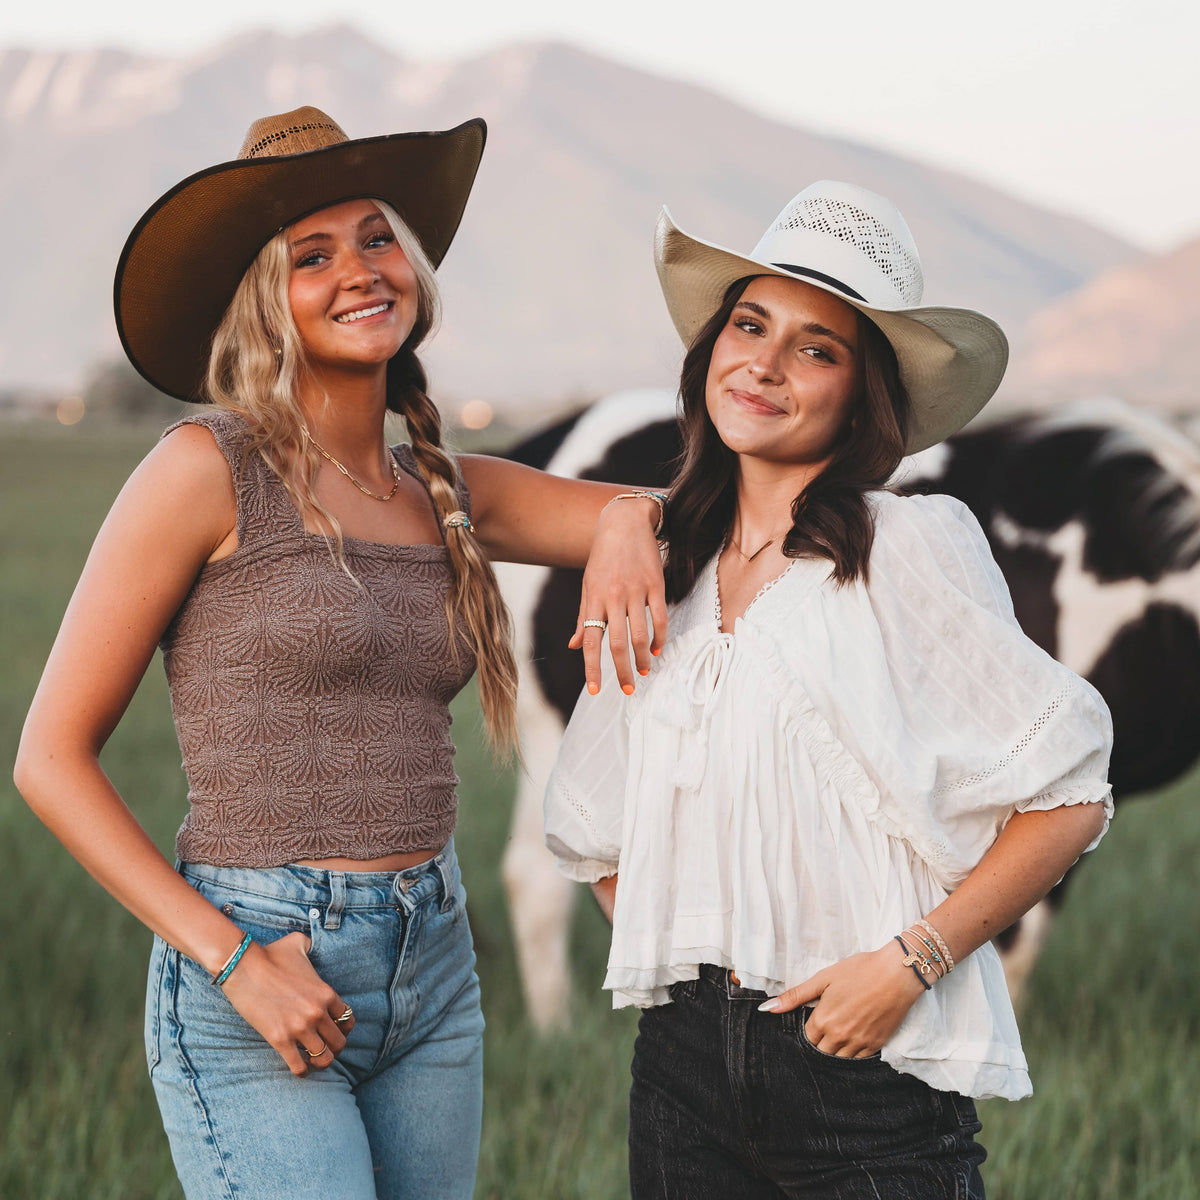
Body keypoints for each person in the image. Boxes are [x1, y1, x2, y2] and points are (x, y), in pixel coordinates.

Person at [13, 107, 667, 1200]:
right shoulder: (205, 469)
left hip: (436, 967)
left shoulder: (443, 491)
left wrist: (627, 523)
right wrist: (233, 963)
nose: (359, 270)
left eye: (375, 238)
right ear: (262, 301)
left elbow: (671, 517)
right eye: (310, 256)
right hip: (259, 964)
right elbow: (49, 759)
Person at [545, 180, 1114, 1199]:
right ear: (711, 349)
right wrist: (694, 955)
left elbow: (1069, 795)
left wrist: (906, 965)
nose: (764, 361)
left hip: (864, 1072)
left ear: (862, 396)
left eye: (816, 347)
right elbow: (593, 828)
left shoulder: (908, 549)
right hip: (677, 1078)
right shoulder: (665, 572)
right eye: (749, 324)